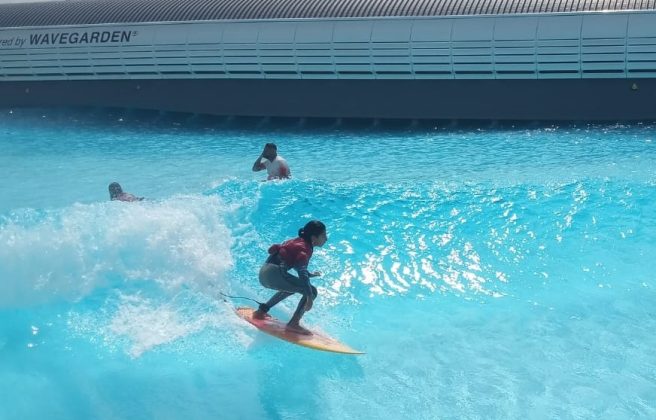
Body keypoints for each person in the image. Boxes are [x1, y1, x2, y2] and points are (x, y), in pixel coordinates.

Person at [253, 220, 328, 335]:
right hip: (274, 274)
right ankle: (294, 324)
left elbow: (295, 265)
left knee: (292, 288)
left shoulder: (296, 241)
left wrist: (309, 274)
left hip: (264, 273)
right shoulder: (305, 248)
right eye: (323, 235)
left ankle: (261, 311)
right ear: (314, 237)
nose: (326, 238)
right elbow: (301, 273)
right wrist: (309, 297)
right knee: (312, 291)